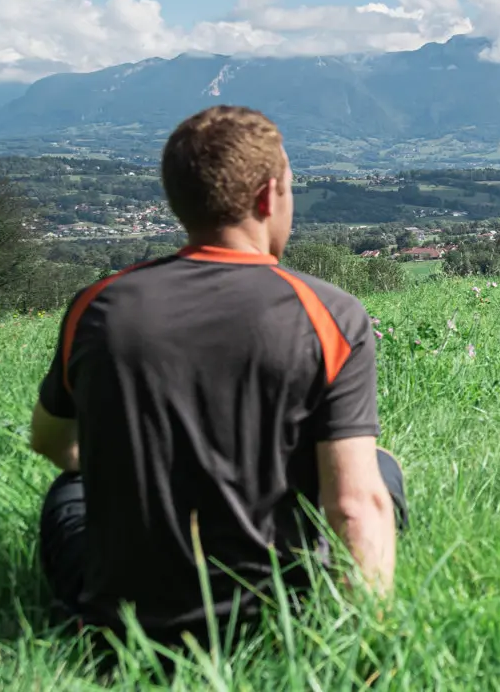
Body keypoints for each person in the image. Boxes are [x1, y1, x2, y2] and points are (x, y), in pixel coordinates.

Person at [28, 105, 406, 648]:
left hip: (123, 636)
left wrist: (133, 475)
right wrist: (362, 655)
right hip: (284, 627)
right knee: (378, 470)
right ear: (267, 195)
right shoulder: (330, 314)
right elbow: (353, 505)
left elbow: (51, 442)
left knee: (70, 491)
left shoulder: (97, 306)